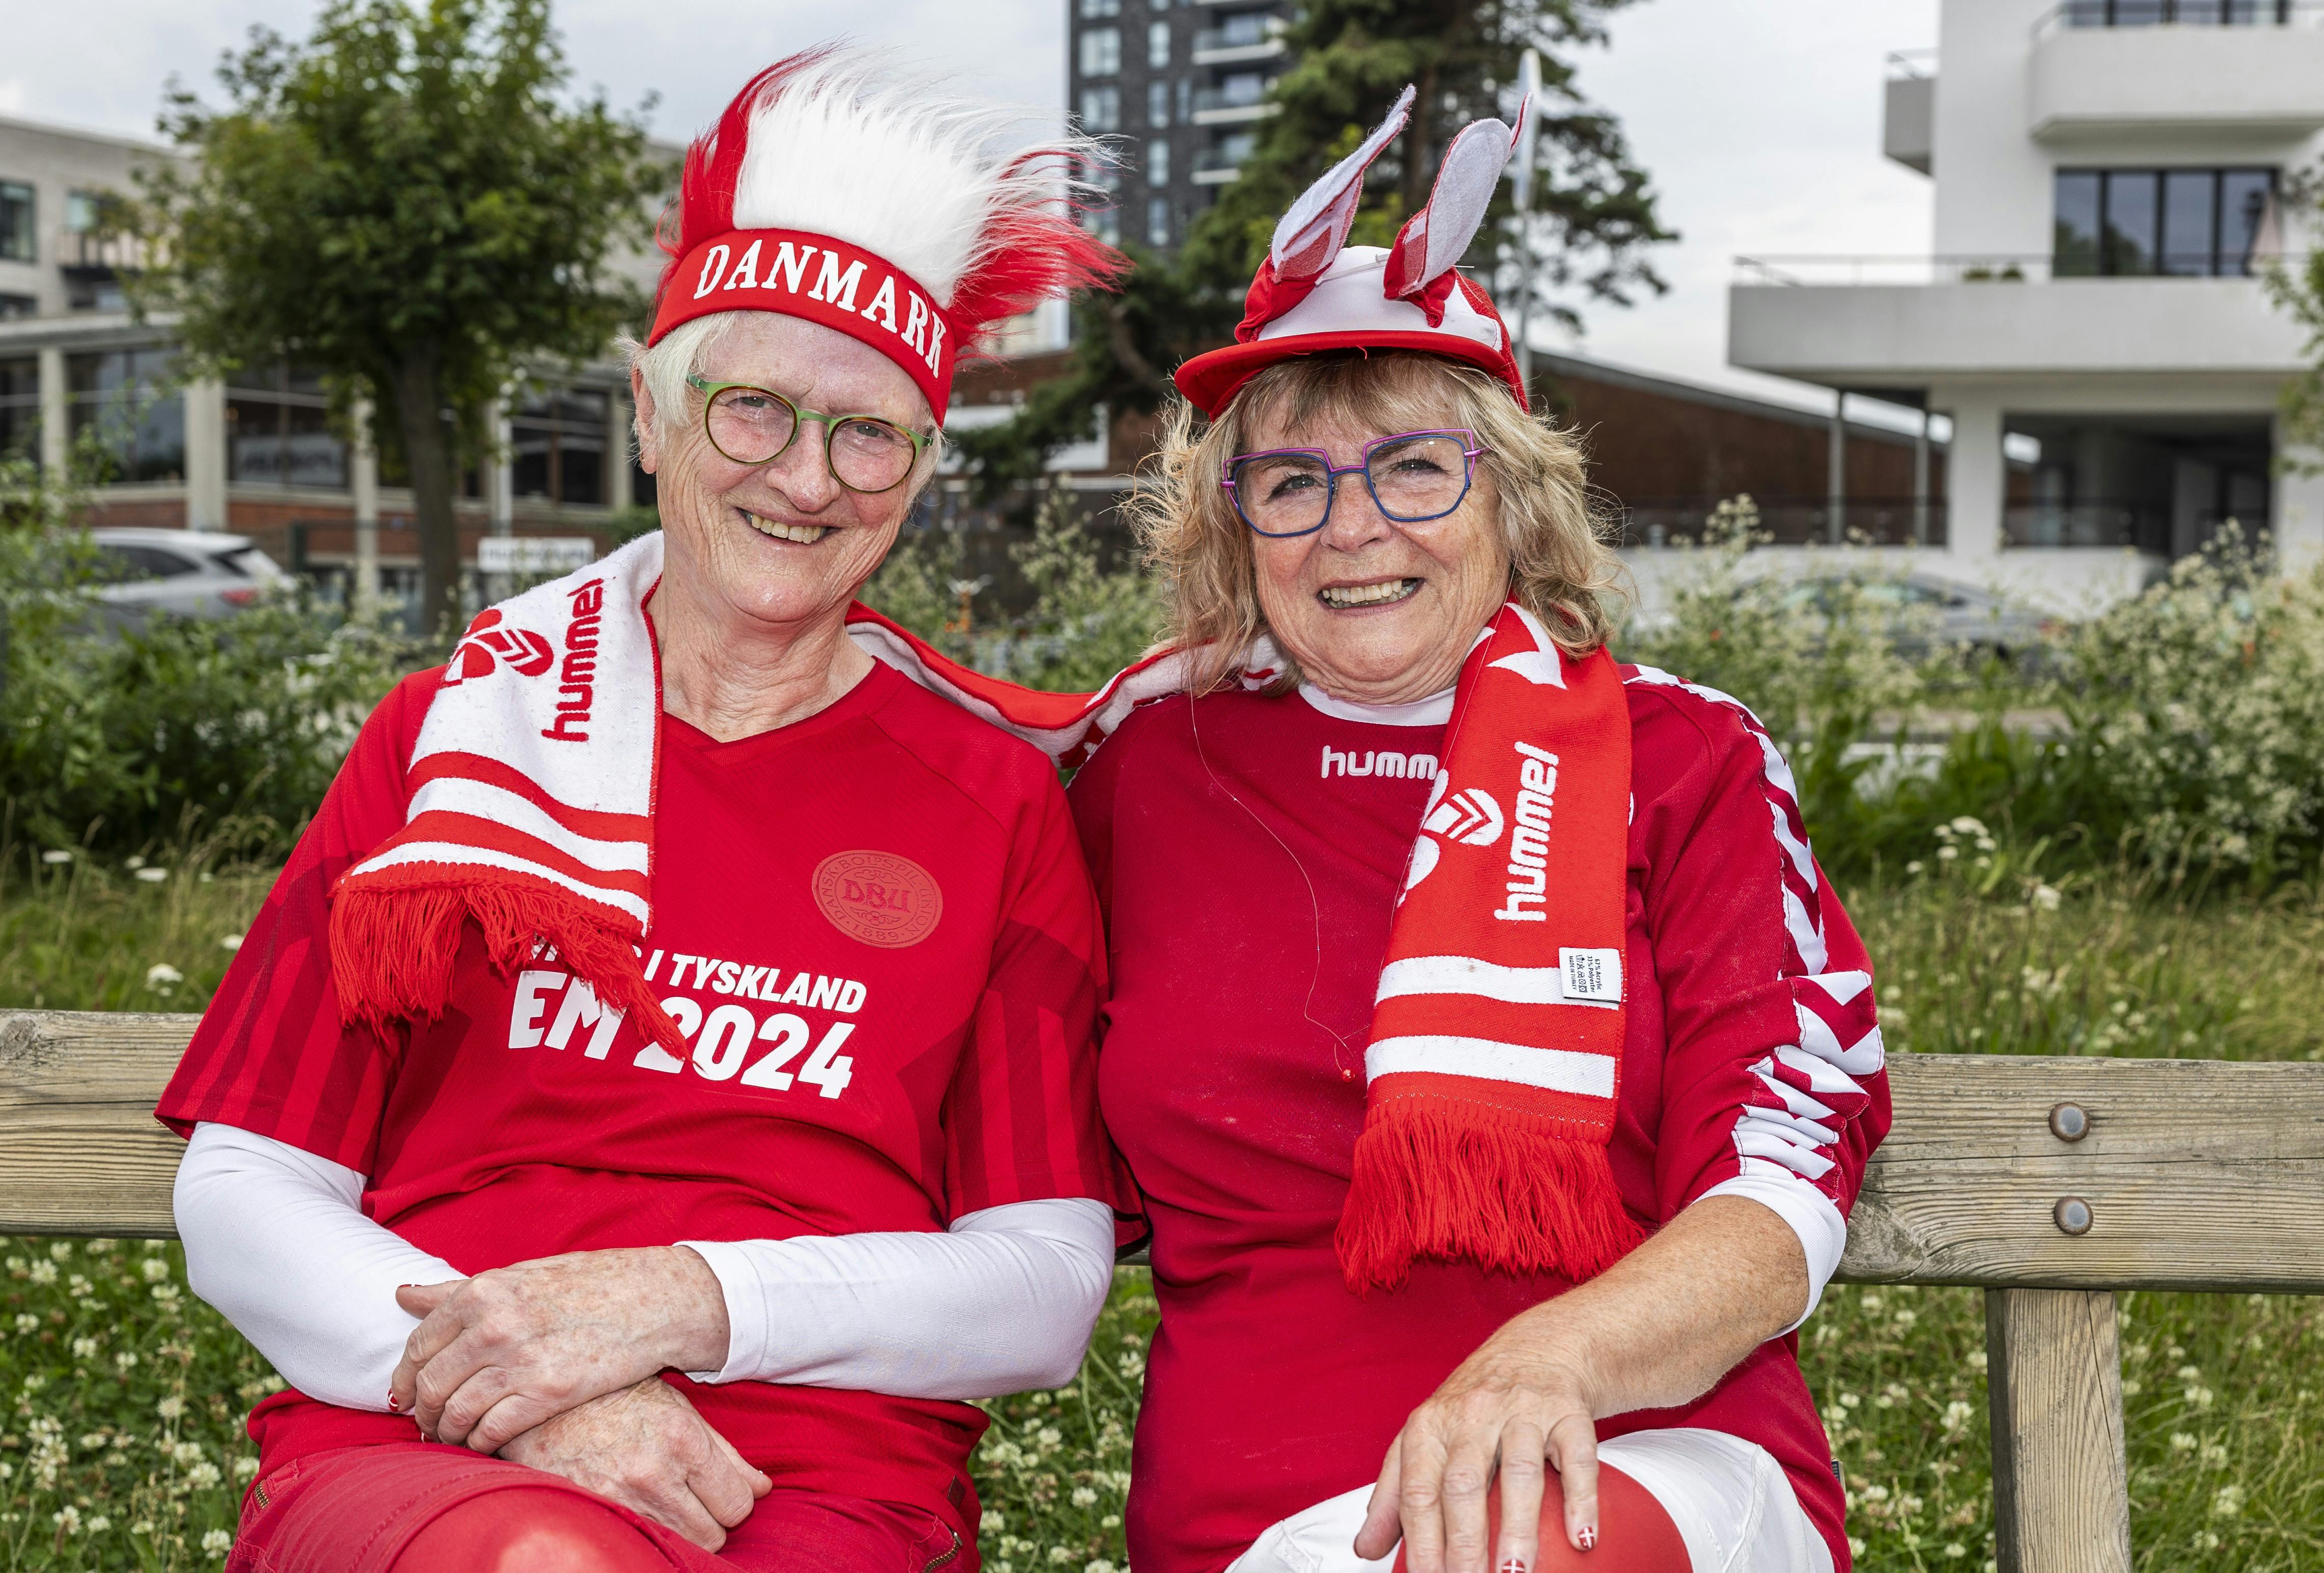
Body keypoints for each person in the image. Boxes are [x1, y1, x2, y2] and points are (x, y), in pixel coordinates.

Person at [154, 51, 1131, 1573]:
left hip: (820, 1465)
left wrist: (679, 1302)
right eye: (753, 410)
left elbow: (1045, 1280)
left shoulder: (994, 798)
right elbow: (245, 1185)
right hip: (430, 1433)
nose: (807, 481)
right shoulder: (450, 740)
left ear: (924, 468)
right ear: (652, 411)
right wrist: (520, 1393)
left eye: (870, 434)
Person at [1060, 90, 1892, 1573]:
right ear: (1231, 523)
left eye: (1416, 469)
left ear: (1511, 498)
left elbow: (1781, 1169)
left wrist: (1555, 1358)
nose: (1354, 527)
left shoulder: (1681, 756)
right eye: (1293, 482)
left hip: (1630, 1465)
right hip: (1250, 1521)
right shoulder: (1139, 771)